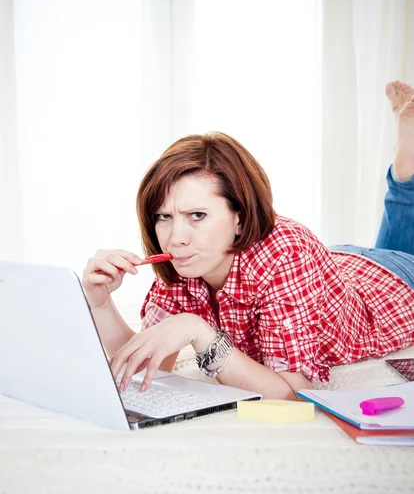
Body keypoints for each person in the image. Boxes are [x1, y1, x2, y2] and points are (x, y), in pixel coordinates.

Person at [82, 81, 414, 401]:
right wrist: (100, 304)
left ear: (239, 218)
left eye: (197, 215)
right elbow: (148, 366)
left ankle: (405, 165)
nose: (175, 238)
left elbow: (291, 393)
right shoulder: (185, 259)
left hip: (393, 282)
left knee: (401, 244)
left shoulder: (287, 252)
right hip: (340, 262)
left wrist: (197, 331)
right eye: (164, 217)